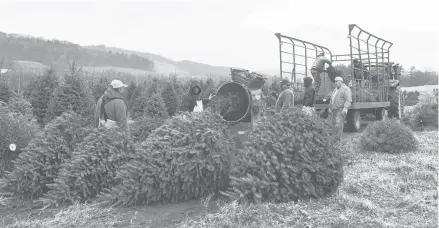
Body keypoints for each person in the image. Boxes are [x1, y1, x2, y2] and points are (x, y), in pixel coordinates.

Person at [329, 77, 352, 141]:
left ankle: (337, 139)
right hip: (334, 109)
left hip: (340, 109)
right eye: (335, 81)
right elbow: (332, 99)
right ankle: (333, 138)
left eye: (337, 81)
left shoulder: (346, 89)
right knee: (333, 124)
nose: (335, 83)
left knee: (338, 125)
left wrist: (345, 108)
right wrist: (330, 107)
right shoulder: (335, 90)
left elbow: (348, 99)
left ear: (341, 82)